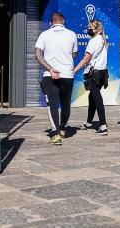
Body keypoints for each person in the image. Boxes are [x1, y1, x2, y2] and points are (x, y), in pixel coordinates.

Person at [35, 12, 78, 145]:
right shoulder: (72, 34)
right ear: (63, 21)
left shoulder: (44, 34)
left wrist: (49, 68)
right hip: (67, 74)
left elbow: (37, 53)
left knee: (52, 105)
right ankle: (63, 127)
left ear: (50, 23)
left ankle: (55, 133)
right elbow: (74, 54)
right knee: (65, 103)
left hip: (50, 74)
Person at [73, 19, 109, 135]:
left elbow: (86, 58)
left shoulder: (93, 41)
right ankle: (89, 122)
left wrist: (74, 70)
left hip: (94, 74)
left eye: (90, 27)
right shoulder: (102, 40)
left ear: (96, 29)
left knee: (97, 98)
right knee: (92, 97)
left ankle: (103, 125)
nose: (88, 29)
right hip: (102, 73)